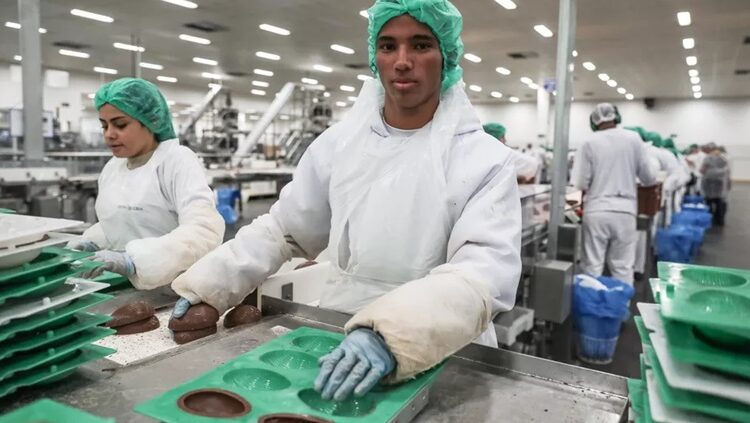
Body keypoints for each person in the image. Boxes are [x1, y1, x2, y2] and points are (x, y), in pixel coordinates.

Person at [171, 0, 521, 402]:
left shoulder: (483, 159)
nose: (402, 61)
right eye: (388, 46)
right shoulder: (340, 144)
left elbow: (482, 274)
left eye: (421, 45)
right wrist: (211, 283)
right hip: (339, 334)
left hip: (444, 345)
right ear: (375, 57)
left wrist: (391, 336)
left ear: (447, 57)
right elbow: (284, 230)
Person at [67, 78, 225, 290]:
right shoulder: (113, 167)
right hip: (125, 285)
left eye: (120, 124)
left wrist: (135, 261)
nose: (109, 134)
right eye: (104, 125)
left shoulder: (176, 161)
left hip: (180, 288)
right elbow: (121, 223)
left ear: (151, 122)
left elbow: (204, 231)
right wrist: (93, 242)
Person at [572, 103, 658, 285]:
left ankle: (592, 308)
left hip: (596, 210)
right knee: (623, 267)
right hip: (625, 211)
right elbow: (649, 178)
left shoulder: (589, 143)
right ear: (616, 117)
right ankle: (620, 309)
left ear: (594, 121)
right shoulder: (634, 139)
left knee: (592, 266)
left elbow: (580, 183)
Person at [701, 145, 731, 226]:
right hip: (720, 183)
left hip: (708, 181)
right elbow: (728, 171)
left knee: (708, 201)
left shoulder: (707, 157)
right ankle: (720, 220)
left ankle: (709, 220)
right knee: (720, 202)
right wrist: (728, 183)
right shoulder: (724, 158)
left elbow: (702, 170)